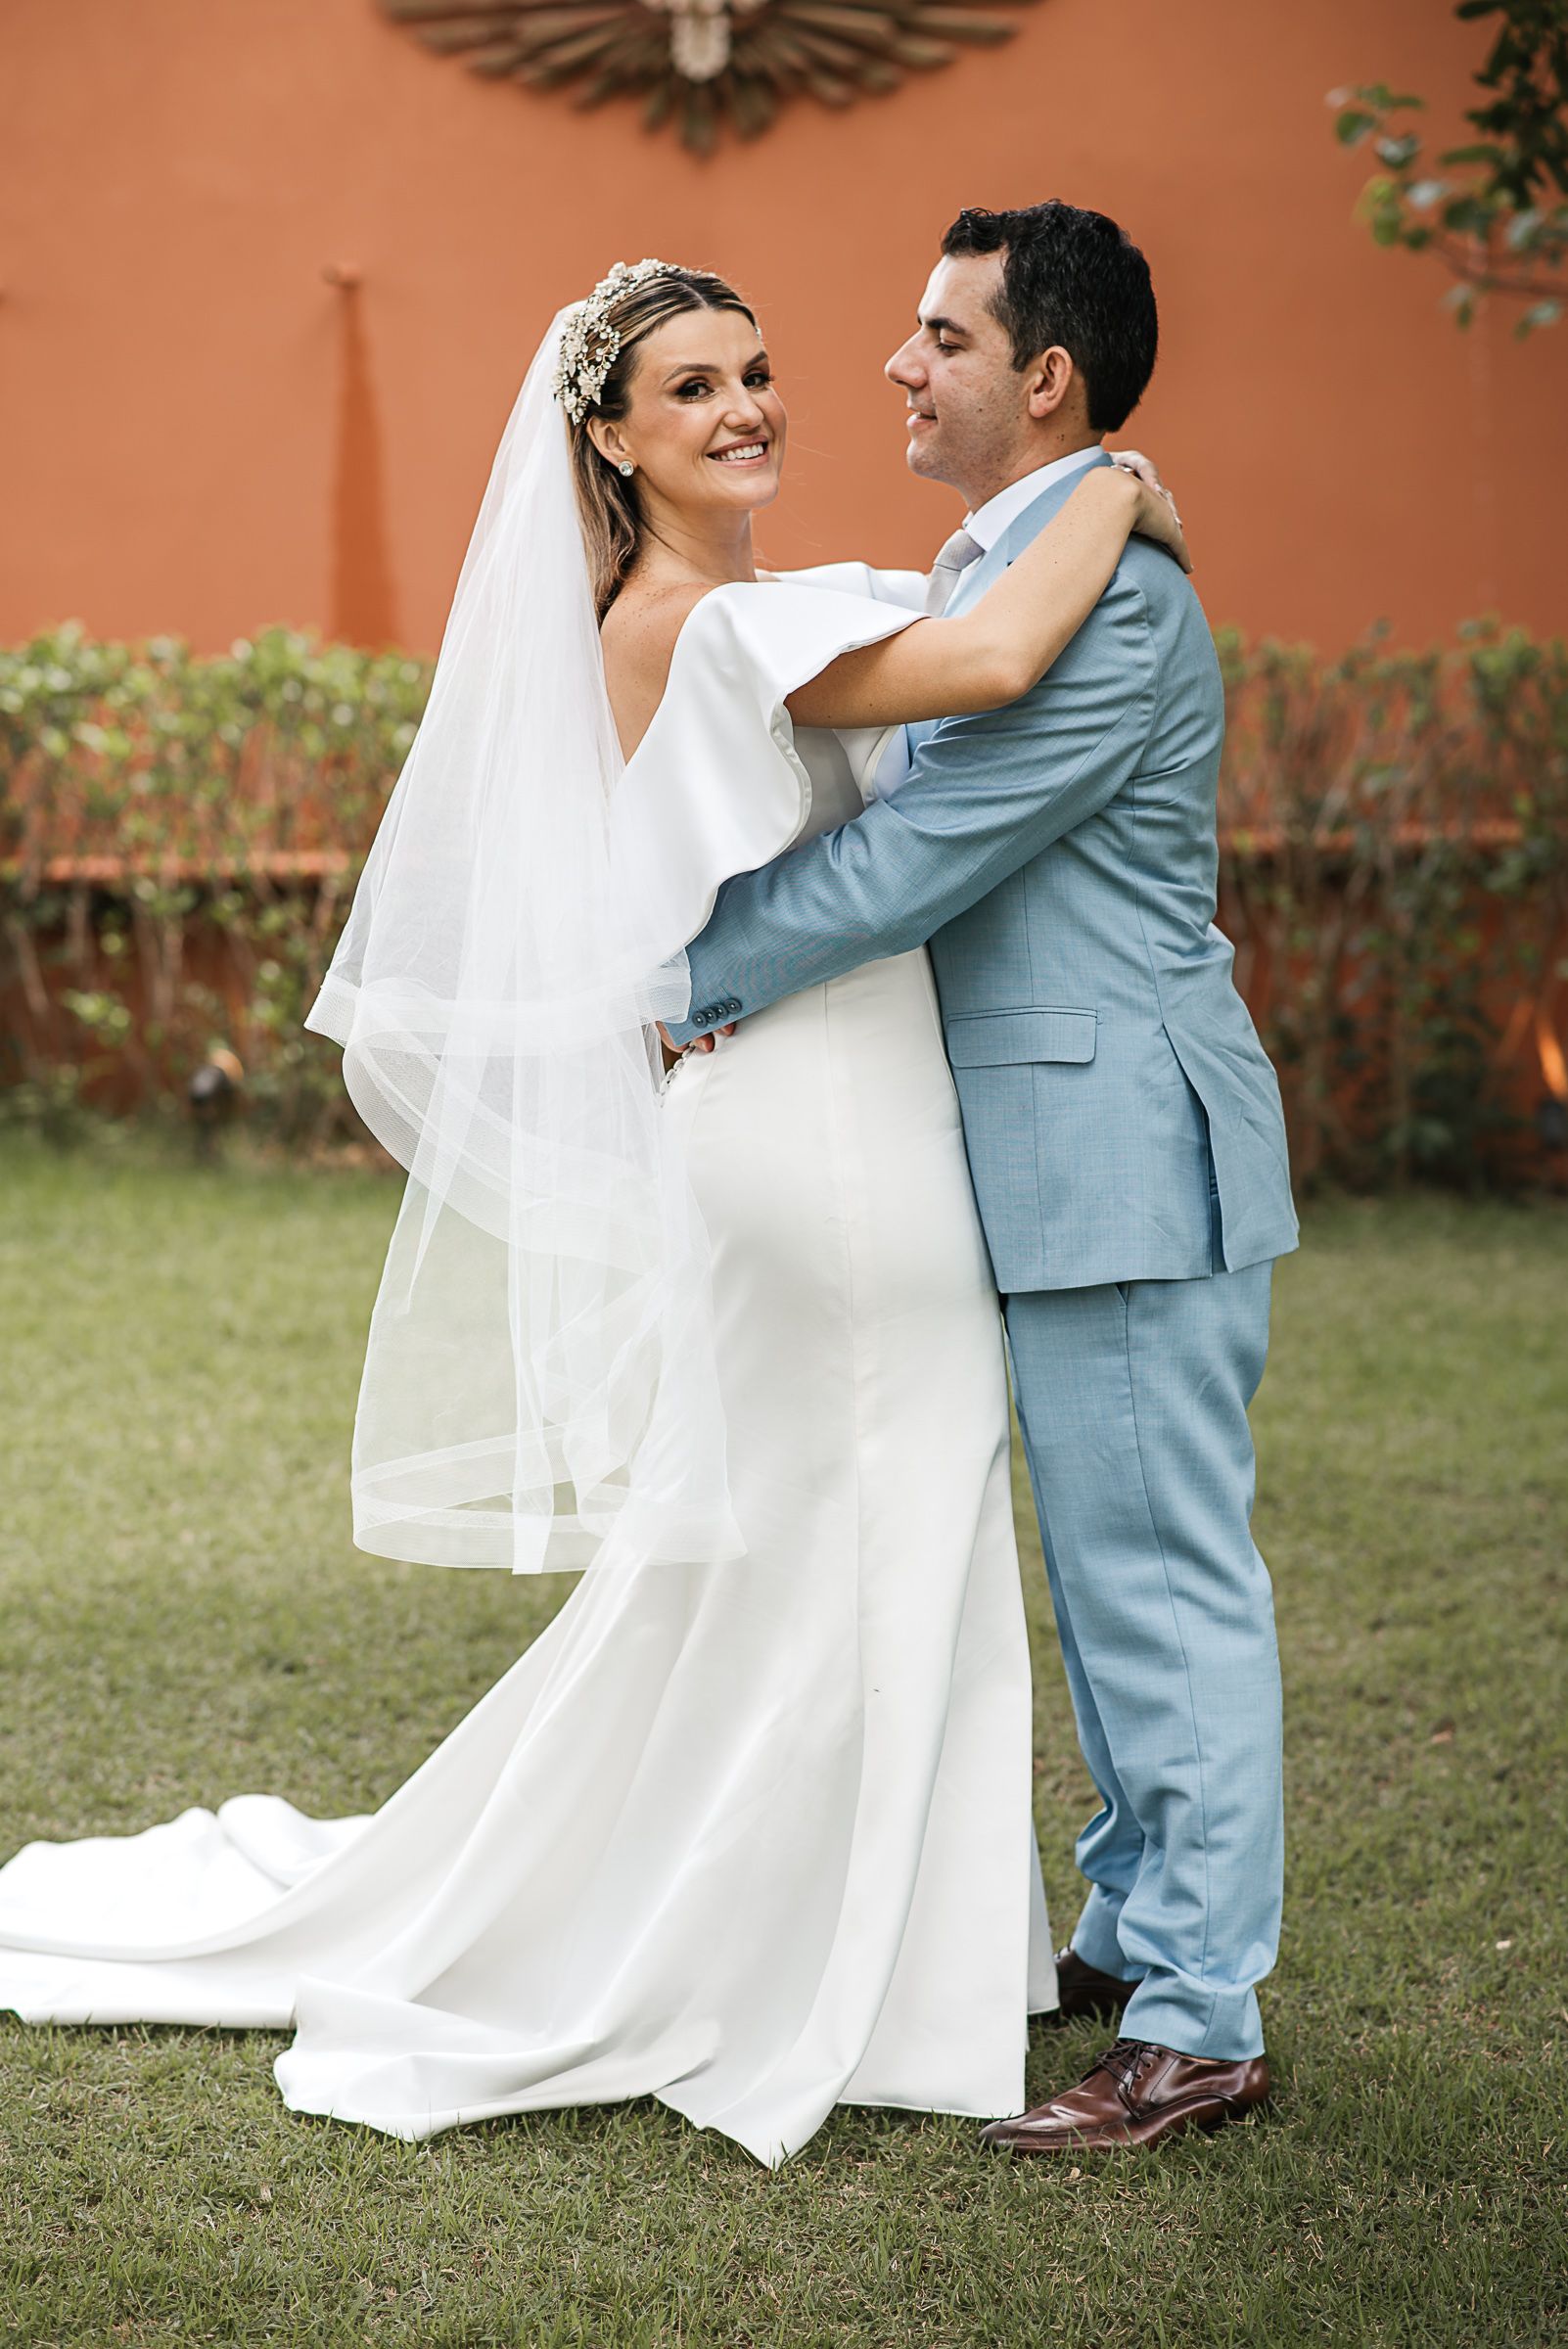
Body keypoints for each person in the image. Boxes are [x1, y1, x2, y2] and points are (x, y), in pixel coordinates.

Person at [0, 252, 1187, 2168]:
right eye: (691, 390)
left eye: (755, 371)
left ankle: (887, 1947)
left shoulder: (744, 613)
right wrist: (1115, 484)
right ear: (613, 447)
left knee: (833, 1534)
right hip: (816, 1138)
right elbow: (986, 663)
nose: (746, 408)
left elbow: (947, 634)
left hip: (840, 1111)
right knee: (865, 1518)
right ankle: (835, 1964)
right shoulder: (694, 626)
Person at [667, 203, 1301, 2154]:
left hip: (1123, 1151)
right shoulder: (1029, 555)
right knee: (1114, 1582)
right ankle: (1134, 1923)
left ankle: (1197, 2024)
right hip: (1061, 1144)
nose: (894, 363)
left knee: (1159, 1583)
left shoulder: (1107, 602)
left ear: (1046, 377)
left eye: (939, 336)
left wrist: (672, 973)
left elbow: (919, 858)